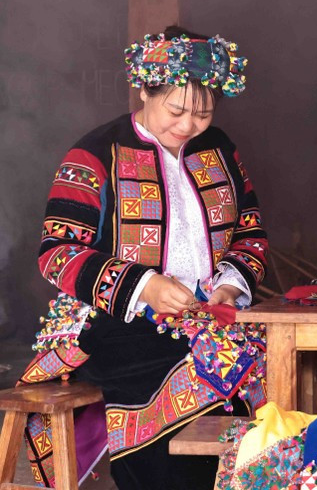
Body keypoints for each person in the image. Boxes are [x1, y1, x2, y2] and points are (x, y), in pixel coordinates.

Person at [21, 27, 268, 489]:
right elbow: (57, 252)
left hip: (211, 315)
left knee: (265, 377)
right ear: (144, 90)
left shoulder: (219, 149)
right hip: (111, 319)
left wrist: (230, 285)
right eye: (175, 109)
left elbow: (250, 231)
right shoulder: (97, 153)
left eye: (203, 113)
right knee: (188, 375)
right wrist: (144, 285)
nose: (188, 125)